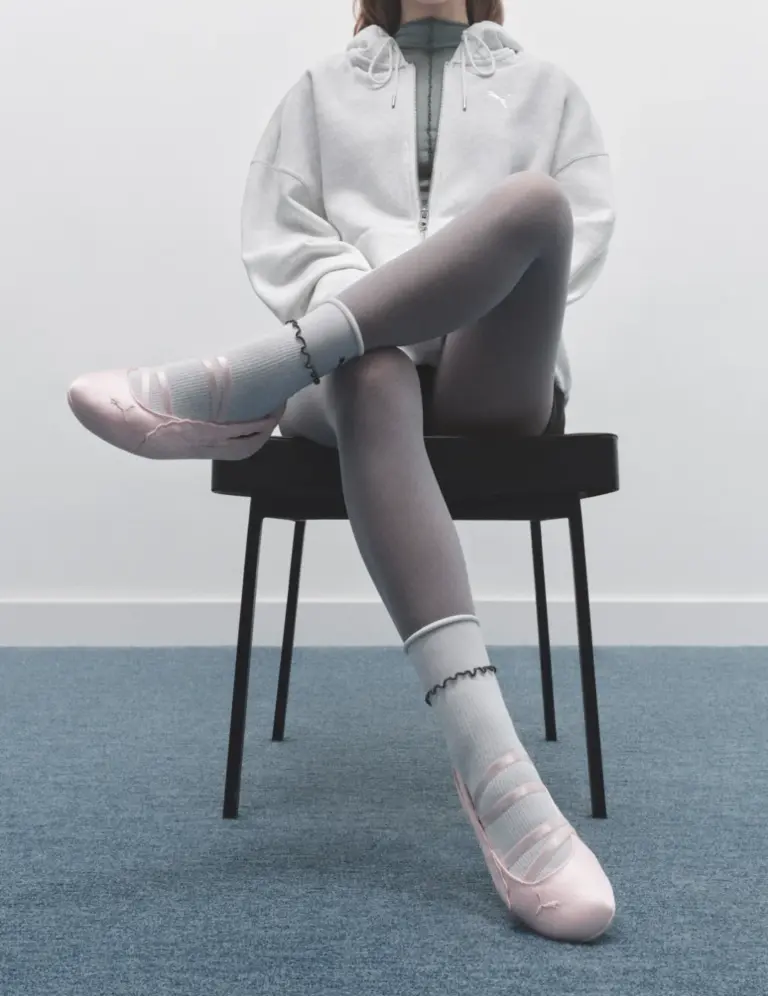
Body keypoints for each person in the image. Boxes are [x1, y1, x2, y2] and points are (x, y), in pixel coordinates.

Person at [67, 0, 618, 941]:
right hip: (359, 379)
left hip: (493, 373)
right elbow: (281, 234)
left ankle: (244, 384)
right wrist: (375, 310)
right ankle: (498, 776)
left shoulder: (547, 90)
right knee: (369, 370)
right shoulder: (320, 91)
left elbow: (572, 244)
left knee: (535, 205)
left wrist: (441, 296)